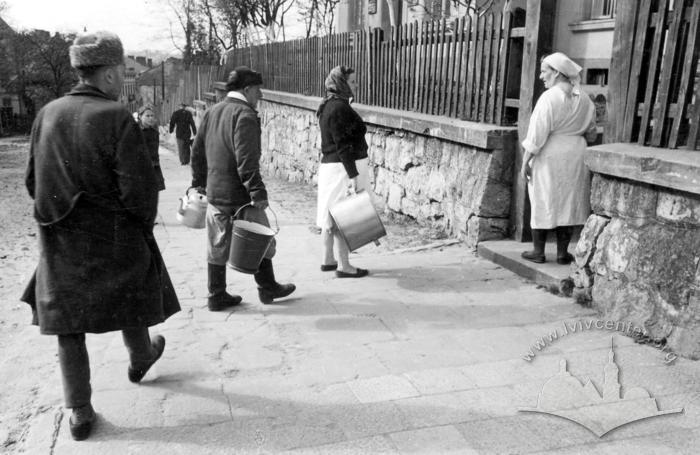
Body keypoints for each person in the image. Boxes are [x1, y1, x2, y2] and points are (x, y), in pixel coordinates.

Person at [20, 31, 180, 441]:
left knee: (68, 325)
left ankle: (78, 411)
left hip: (61, 239)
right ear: (109, 75)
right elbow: (139, 191)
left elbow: (32, 181)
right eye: (121, 71)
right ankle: (141, 357)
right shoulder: (116, 117)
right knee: (132, 291)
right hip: (112, 236)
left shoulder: (47, 114)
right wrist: (140, 229)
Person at [191, 66, 295, 311]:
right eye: (258, 90)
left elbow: (197, 151)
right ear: (247, 89)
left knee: (216, 242)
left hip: (216, 192)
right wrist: (257, 191)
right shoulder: (245, 115)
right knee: (261, 238)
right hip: (241, 195)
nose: (259, 95)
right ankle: (267, 287)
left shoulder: (212, 111)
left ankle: (216, 294)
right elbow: (246, 159)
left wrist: (198, 183)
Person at [520, 52, 597, 264]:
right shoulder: (585, 98)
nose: (541, 76)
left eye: (545, 71)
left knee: (543, 197)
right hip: (576, 153)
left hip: (549, 153)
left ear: (556, 73)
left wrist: (525, 160)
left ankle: (539, 251)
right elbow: (591, 132)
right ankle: (563, 253)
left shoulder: (549, 98)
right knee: (569, 201)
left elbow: (537, 133)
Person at [316, 66, 370, 278]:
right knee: (342, 217)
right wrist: (353, 174)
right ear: (341, 83)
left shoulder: (327, 104)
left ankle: (328, 259)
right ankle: (344, 266)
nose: (355, 85)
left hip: (332, 167)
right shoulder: (339, 108)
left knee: (330, 215)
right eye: (352, 82)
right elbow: (342, 145)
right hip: (341, 168)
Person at [138, 104, 166, 191]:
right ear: (140, 116)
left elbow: (155, 151)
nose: (150, 118)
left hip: (154, 166)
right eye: (147, 116)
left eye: (152, 116)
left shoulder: (154, 132)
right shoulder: (135, 131)